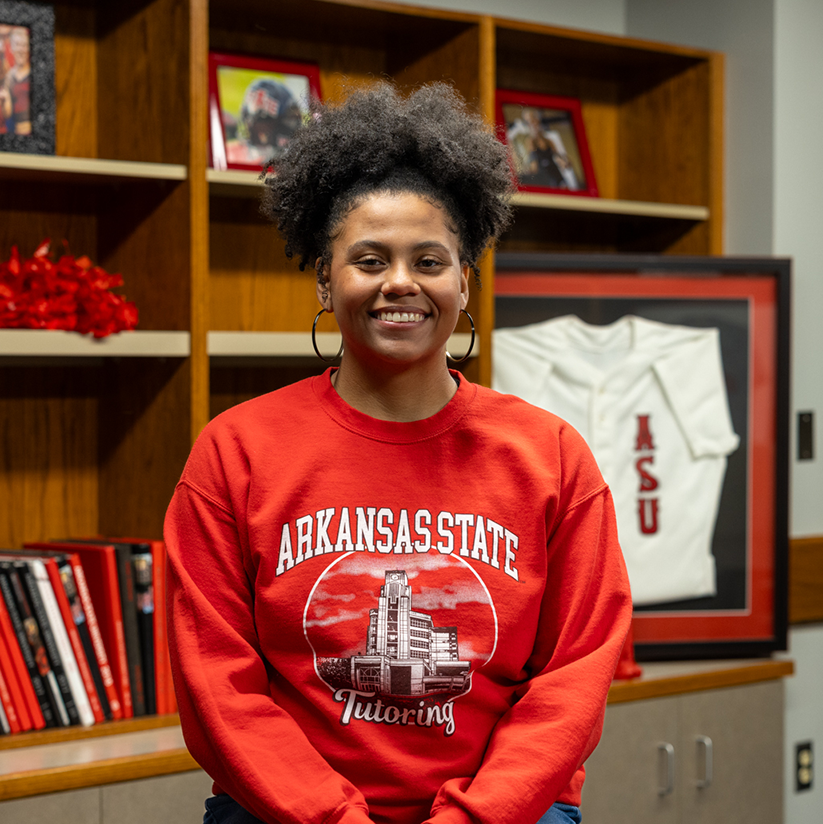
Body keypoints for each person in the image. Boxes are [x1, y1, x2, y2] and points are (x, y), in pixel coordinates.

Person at [165, 81, 632, 824]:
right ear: (324, 278)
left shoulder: (549, 455)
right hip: (285, 813)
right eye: (369, 259)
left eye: (429, 260)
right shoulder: (235, 452)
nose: (400, 283)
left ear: (464, 279)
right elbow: (214, 684)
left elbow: (573, 676)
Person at [0, 26, 31, 135]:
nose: (20, 50)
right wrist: (3, 101)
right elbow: (7, 113)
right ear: (12, 48)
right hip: (17, 133)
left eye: (24, 45)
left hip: (32, 131)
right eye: (17, 45)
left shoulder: (33, 74)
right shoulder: (9, 77)